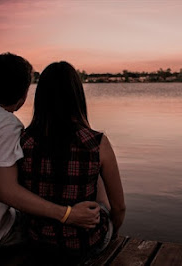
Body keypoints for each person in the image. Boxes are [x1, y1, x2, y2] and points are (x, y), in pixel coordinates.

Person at [0, 53, 101, 250]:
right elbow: (7, 193)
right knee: (45, 226)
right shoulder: (7, 125)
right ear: (23, 95)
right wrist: (67, 214)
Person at [19, 61, 126, 261]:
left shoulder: (23, 140)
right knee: (99, 180)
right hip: (85, 245)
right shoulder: (97, 142)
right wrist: (113, 232)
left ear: (41, 97)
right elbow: (119, 208)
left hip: (37, 242)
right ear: (77, 96)